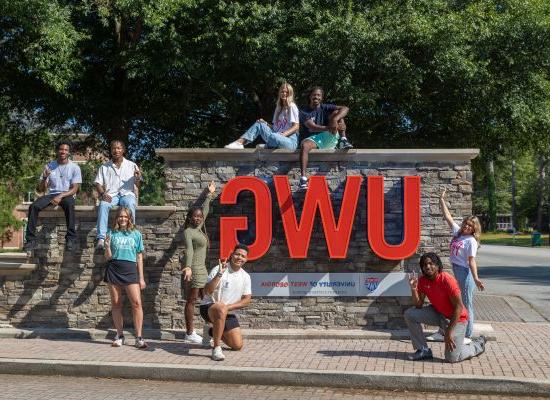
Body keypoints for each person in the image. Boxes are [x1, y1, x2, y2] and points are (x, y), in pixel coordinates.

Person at [404, 252, 486, 362]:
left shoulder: (447, 280)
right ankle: (423, 350)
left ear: (438, 265)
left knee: (452, 358)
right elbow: (418, 305)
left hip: (457, 319)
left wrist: (448, 332)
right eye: (424, 265)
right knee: (410, 314)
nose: (427, 266)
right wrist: (414, 289)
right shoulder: (423, 281)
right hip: (439, 314)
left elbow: (459, 307)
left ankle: (477, 345)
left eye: (431, 263)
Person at [435, 188, 484, 342]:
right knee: (455, 300)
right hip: (457, 269)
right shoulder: (458, 233)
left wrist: (475, 278)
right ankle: (450, 329)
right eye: (466, 224)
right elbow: (448, 217)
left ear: (474, 229)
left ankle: (467, 335)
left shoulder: (471, 241)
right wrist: (441, 200)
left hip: (465, 272)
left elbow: (471, 261)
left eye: (470, 226)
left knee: (466, 302)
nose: (466, 227)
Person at [24, 141, 82, 252]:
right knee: (34, 206)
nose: (63, 152)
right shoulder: (50, 166)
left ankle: (71, 239)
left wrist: (61, 196)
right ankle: (31, 240)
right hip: (52, 194)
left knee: (70, 205)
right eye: (61, 149)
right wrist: (45, 178)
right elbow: (41, 189)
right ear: (57, 151)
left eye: (65, 150)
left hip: (67, 194)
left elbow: (75, 189)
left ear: (69, 152)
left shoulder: (75, 167)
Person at [104, 207, 147, 349]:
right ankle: (119, 335)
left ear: (130, 218)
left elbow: (139, 256)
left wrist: (141, 278)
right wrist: (106, 246)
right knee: (116, 304)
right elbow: (108, 257)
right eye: (120, 216)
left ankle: (139, 337)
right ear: (117, 218)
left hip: (130, 270)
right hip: (114, 268)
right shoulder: (111, 233)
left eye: (126, 217)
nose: (123, 219)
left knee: (136, 303)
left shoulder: (136, 234)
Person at [200, 244, 252, 361]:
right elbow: (207, 291)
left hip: (225, 311)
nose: (239, 257)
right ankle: (216, 348)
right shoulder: (219, 269)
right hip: (208, 308)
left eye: (243, 256)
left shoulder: (245, 276)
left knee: (237, 345)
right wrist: (219, 274)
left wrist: (227, 307)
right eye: (237, 254)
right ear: (232, 255)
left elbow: (246, 300)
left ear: (246, 259)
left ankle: (210, 331)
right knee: (220, 307)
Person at [180, 181, 216, 344]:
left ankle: (209, 329)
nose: (198, 218)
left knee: (206, 299)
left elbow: (206, 211)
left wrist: (209, 195)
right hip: (194, 268)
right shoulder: (188, 231)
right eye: (195, 216)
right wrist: (187, 267)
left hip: (202, 269)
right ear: (190, 217)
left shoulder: (198, 228)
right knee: (192, 300)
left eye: (199, 217)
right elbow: (189, 249)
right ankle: (189, 333)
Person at [298, 87, 351, 189]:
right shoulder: (303, 111)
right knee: (304, 145)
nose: (316, 97)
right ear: (310, 96)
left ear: (322, 98)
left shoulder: (325, 107)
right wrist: (330, 127)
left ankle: (343, 140)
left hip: (328, 136)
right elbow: (312, 127)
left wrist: (335, 119)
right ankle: (303, 178)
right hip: (313, 139)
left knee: (337, 113)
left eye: (319, 95)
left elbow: (346, 108)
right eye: (314, 94)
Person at [94, 140, 141, 250]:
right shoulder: (104, 167)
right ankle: (101, 238)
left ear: (123, 150)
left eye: (119, 148)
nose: (116, 150)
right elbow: (97, 183)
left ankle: (131, 232)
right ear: (111, 151)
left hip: (127, 194)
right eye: (114, 148)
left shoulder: (132, 165)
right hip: (111, 195)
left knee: (130, 203)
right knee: (103, 204)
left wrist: (138, 178)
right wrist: (102, 193)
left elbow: (137, 184)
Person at [224, 83, 299, 150]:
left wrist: (284, 134)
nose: (284, 93)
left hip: (289, 141)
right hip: (276, 137)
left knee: (274, 136)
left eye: (286, 92)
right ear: (280, 93)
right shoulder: (278, 108)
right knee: (259, 124)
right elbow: (275, 128)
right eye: (282, 91)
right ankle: (240, 143)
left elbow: (296, 127)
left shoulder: (291, 106)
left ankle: (267, 146)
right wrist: (266, 123)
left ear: (290, 94)